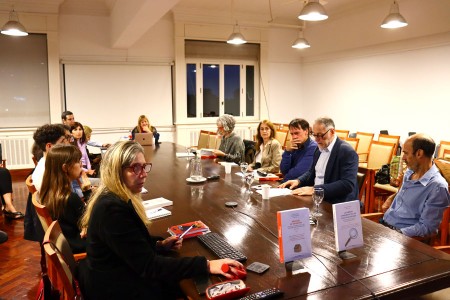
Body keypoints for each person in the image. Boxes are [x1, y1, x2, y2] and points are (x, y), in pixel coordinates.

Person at [78, 141, 242, 299]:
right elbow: (149, 266)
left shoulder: (113, 197)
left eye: (144, 166)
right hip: (114, 288)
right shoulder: (111, 210)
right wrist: (206, 265)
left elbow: (127, 244)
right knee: (191, 288)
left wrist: (158, 245)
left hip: (113, 274)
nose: (143, 174)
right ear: (116, 171)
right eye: (135, 168)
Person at [382, 134, 450, 237]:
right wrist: (392, 197)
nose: (403, 158)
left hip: (401, 236)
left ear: (419, 153)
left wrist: (397, 234)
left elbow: (427, 227)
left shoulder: (437, 187)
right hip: (384, 224)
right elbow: (406, 195)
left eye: (405, 153)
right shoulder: (409, 172)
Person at [279, 117, 359, 204]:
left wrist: (315, 189)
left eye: (320, 135)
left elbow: (347, 184)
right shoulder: (319, 148)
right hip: (317, 198)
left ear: (332, 132)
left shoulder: (346, 151)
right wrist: (298, 181)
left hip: (336, 203)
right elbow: (311, 172)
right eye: (315, 135)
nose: (317, 139)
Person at [40, 144, 87, 253]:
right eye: (78, 161)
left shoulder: (49, 192)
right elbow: (90, 223)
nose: (81, 164)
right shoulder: (70, 198)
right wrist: (87, 190)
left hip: (67, 243)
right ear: (65, 168)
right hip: (78, 246)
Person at [280, 118, 317, 182]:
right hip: (288, 183)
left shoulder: (313, 147)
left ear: (306, 131)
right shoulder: (294, 146)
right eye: (292, 134)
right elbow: (284, 170)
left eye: (297, 133)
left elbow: (299, 172)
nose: (294, 137)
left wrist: (284, 180)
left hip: (302, 186)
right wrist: (287, 152)